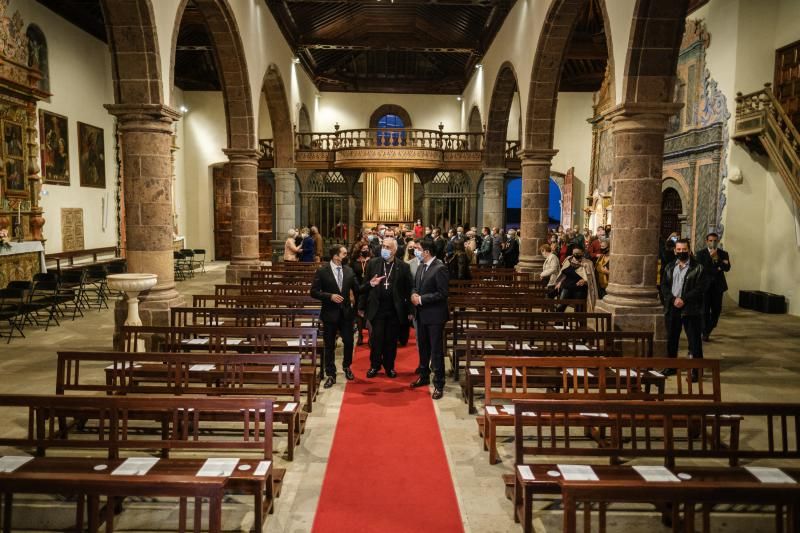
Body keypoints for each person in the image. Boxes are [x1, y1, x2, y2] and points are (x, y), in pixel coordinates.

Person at [359, 237, 413, 378]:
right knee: (376, 340)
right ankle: (374, 366)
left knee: (390, 341)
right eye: (383, 246)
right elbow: (365, 286)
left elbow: (409, 290)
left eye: (388, 247)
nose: (384, 249)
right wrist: (361, 306)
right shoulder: (373, 263)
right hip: (377, 309)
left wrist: (410, 311)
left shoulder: (403, 267)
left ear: (394, 250)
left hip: (394, 310)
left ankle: (389, 367)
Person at [311, 245, 360, 388]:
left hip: (346, 314)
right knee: (330, 345)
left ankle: (346, 366)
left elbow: (358, 289)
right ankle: (331, 374)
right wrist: (329, 296)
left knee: (349, 342)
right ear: (335, 256)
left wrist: (371, 284)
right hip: (330, 313)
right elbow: (313, 292)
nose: (347, 255)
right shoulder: (322, 271)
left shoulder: (349, 271)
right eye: (344, 253)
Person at [660, 239, 706, 379]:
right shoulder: (669, 267)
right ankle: (671, 366)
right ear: (675, 251)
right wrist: (673, 299)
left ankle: (696, 371)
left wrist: (684, 299)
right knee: (672, 338)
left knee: (694, 340)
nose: (681, 252)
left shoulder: (698, 268)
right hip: (673, 307)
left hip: (690, 308)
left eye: (684, 249)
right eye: (678, 250)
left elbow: (700, 288)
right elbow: (664, 286)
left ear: (689, 249)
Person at [410, 239, 449, 399]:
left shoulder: (440, 268)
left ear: (426, 252)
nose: (416, 251)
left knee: (436, 351)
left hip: (434, 316)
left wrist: (421, 299)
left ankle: (439, 384)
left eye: (418, 249)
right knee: (423, 349)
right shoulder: (421, 266)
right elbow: (415, 285)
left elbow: (442, 293)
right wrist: (413, 294)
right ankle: (424, 376)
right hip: (421, 315)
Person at [695, 232, 731, 341]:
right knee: (704, 311)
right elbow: (702, 268)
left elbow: (727, 267)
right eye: (710, 240)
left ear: (718, 241)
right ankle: (705, 332)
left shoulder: (723, 253)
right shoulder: (700, 254)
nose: (713, 242)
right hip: (705, 286)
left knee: (716, 310)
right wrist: (718, 267)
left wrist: (717, 259)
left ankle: (709, 328)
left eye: (715, 240)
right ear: (707, 241)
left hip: (718, 286)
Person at [554, 247, 598, 311]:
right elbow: (563, 273)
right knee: (560, 306)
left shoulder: (588, 263)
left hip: (579, 289)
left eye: (578, 253)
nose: (576, 254)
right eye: (574, 253)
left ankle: (579, 320)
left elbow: (591, 279)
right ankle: (558, 320)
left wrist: (585, 281)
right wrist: (560, 282)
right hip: (567, 287)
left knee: (579, 309)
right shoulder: (568, 260)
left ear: (582, 253)